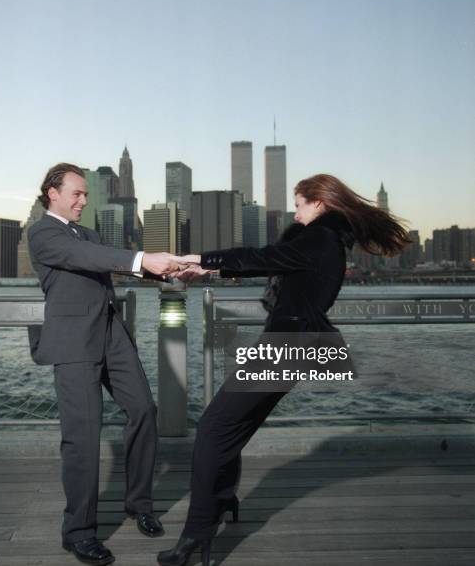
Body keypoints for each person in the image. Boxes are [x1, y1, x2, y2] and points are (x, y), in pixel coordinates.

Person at [157, 173, 411, 566]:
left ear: (319, 203)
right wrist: (209, 271)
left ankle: (196, 533)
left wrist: (199, 259)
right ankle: (222, 500)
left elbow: (258, 258)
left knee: (212, 428)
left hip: (287, 347)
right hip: (295, 347)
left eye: (299, 204)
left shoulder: (320, 239)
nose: (296, 211)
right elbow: (268, 261)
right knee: (231, 427)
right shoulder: (321, 241)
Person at [27, 163, 183, 566]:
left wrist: (169, 272)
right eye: (77, 193)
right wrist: (143, 257)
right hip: (74, 342)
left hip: (112, 335)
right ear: (52, 193)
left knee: (144, 410)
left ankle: (139, 504)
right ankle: (77, 532)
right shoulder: (43, 232)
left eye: (85, 195)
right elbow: (84, 257)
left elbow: (102, 262)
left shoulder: (90, 233)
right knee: (83, 436)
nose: (83, 200)